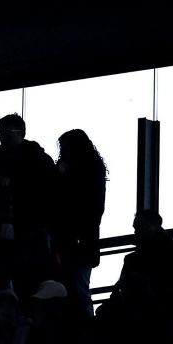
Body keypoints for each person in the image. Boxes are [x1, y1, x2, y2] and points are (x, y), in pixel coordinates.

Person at [0, 114, 57, 302]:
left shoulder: (36, 160)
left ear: (21, 133)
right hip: (5, 235)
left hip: (25, 234)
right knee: (1, 288)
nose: (3, 137)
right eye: (1, 133)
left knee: (23, 286)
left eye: (8, 132)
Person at [53, 130, 108, 316]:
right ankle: (85, 326)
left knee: (74, 287)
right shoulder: (93, 172)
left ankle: (83, 325)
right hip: (82, 240)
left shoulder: (71, 172)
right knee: (79, 287)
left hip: (73, 240)